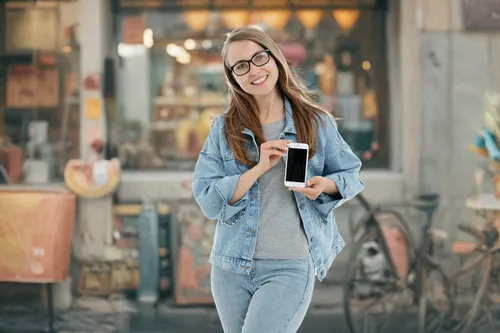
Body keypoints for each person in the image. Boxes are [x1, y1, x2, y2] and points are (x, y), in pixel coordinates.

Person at [192, 26, 364, 333]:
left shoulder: (314, 121)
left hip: (289, 265)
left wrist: (326, 185)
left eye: (259, 58)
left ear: (275, 57)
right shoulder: (224, 128)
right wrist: (257, 168)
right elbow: (207, 198)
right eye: (241, 66)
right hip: (231, 266)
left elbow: (350, 174)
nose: (254, 70)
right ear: (233, 77)